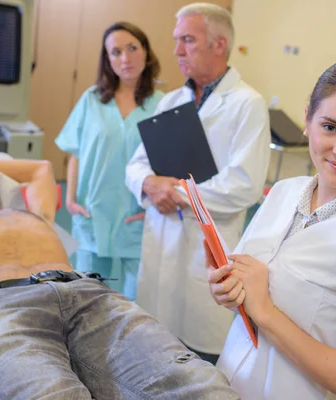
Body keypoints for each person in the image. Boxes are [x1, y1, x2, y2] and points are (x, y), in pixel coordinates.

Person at [0, 136, 240, 400]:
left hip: (89, 295)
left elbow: (40, 168)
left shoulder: (33, 213)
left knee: (203, 388)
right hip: (0, 310)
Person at [209, 58, 336, 400]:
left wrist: (266, 313)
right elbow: (244, 280)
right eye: (330, 127)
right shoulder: (283, 192)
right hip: (229, 380)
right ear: (308, 120)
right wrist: (227, 290)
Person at [125, 3, 270, 363]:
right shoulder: (172, 100)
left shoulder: (247, 104)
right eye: (177, 41)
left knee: (199, 359)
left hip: (206, 250)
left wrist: (171, 192)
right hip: (162, 239)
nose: (176, 51)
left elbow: (244, 184)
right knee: (152, 343)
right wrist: (148, 183)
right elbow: (136, 164)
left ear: (219, 44)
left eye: (187, 40)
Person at [55, 22, 164, 301]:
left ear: (146, 52)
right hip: (92, 210)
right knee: (88, 296)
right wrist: (70, 200)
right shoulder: (92, 100)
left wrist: (152, 206)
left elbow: (169, 164)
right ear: (107, 60)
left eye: (132, 48)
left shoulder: (162, 103)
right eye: (115, 52)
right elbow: (75, 152)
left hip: (138, 214)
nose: (125, 59)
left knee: (136, 300)